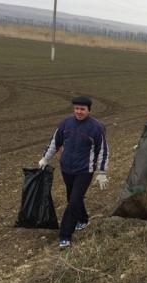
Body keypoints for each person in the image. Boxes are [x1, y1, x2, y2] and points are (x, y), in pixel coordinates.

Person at [38, 96, 109, 248]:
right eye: (77, 108)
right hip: (67, 168)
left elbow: (103, 151)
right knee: (72, 197)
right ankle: (83, 219)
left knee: (74, 201)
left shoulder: (96, 128)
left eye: (82, 109)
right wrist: (45, 159)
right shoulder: (66, 123)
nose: (79, 111)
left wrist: (102, 171)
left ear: (89, 110)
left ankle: (65, 236)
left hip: (84, 170)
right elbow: (55, 142)